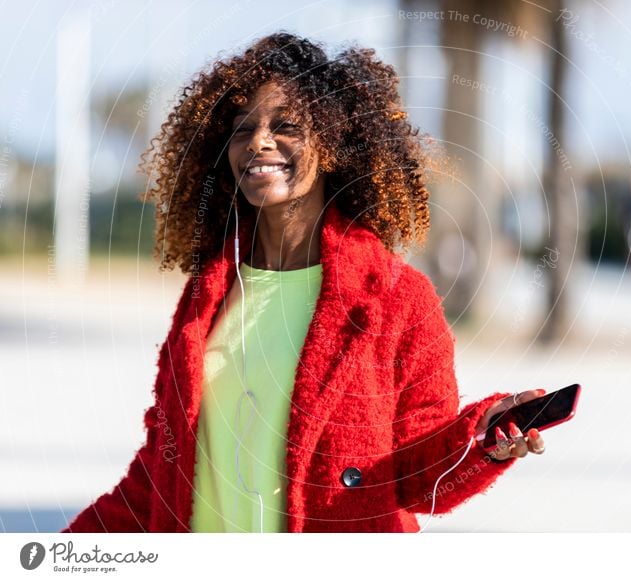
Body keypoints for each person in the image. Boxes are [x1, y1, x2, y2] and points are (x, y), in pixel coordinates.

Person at [61, 31, 546, 534]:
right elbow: (162, 471)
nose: (258, 142)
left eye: (285, 125)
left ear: (332, 142)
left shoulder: (398, 297)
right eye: (241, 128)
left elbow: (419, 479)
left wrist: (484, 440)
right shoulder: (208, 292)